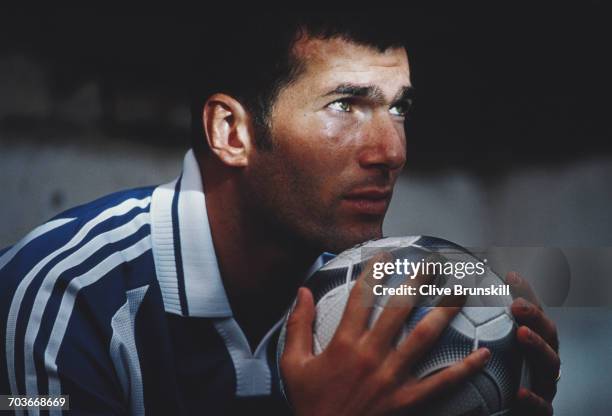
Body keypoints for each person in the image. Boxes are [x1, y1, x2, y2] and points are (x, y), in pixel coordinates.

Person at [0, 14, 559, 415]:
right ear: (231, 132)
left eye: (399, 107)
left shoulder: (387, 294)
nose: (392, 151)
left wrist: (504, 385)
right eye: (345, 106)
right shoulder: (63, 295)